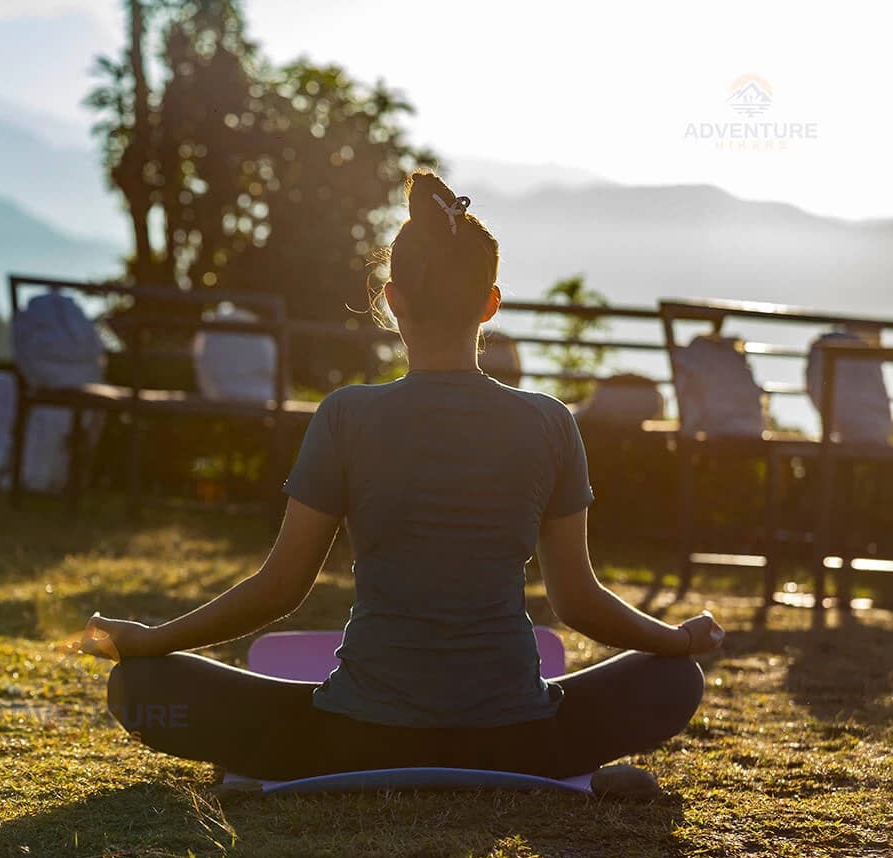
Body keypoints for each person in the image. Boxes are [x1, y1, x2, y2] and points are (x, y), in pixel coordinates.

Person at [80, 171, 724, 785]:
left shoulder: (345, 416)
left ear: (392, 300)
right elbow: (575, 600)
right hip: (518, 737)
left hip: (355, 735)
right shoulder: (549, 421)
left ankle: (293, 749)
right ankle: (535, 750)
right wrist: (674, 639)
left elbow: (281, 588)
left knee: (142, 687)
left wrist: (154, 641)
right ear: (491, 305)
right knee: (673, 680)